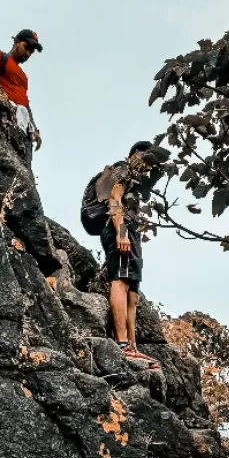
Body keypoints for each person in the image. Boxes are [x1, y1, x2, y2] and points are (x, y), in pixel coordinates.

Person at [80, 142, 170, 370]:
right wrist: (121, 233)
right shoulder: (122, 169)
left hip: (131, 229)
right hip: (119, 229)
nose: (145, 165)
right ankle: (121, 344)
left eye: (149, 162)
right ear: (131, 156)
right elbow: (114, 199)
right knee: (120, 280)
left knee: (132, 291)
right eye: (141, 157)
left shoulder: (138, 182)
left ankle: (132, 346)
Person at [0, 30, 42, 162]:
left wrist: (34, 128)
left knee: (21, 166)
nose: (27, 54)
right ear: (15, 42)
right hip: (4, 114)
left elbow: (25, 102)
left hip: (22, 124)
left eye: (31, 52)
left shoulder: (24, 77)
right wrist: (1, 98)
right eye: (26, 48)